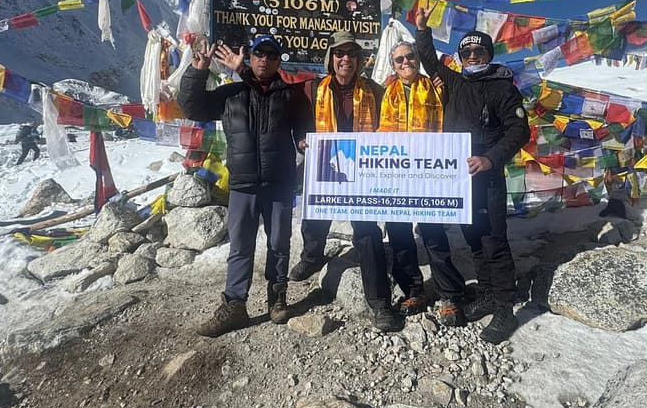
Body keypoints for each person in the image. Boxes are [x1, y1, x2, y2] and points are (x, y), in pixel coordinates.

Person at [177, 34, 312, 337]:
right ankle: (235, 305)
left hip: (280, 183)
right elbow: (192, 107)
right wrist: (197, 72)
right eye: (259, 53)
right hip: (242, 184)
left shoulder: (290, 96)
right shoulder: (230, 94)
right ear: (251, 58)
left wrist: (305, 139)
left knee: (279, 244)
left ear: (279, 62)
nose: (265, 59)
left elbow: (306, 126)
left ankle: (277, 299)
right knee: (240, 247)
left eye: (272, 55)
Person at [413, 3, 531, 344]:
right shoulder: (455, 80)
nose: (472, 56)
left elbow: (518, 131)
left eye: (479, 51)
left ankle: (506, 307)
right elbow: (430, 59)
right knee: (474, 238)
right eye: (466, 52)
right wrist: (422, 29)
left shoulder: (502, 88)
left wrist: (491, 159)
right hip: (458, 180)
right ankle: (490, 294)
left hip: (487, 176)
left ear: (488, 54)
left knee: (494, 240)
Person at [289, 30, 402, 332]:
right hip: (325, 162)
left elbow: (391, 122)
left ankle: (379, 302)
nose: (346, 59)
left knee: (366, 231)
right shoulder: (312, 89)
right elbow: (300, 120)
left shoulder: (375, 91)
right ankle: (312, 257)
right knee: (315, 216)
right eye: (340, 53)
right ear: (331, 58)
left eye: (352, 54)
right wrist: (302, 139)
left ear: (359, 60)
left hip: (362, 169)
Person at [377, 41, 466, 326]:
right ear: (393, 65)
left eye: (410, 57)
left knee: (432, 232)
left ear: (418, 58)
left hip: (429, 171)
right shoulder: (385, 92)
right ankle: (413, 289)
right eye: (399, 59)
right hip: (395, 173)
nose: (405, 62)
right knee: (399, 233)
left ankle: (449, 293)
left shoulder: (436, 86)